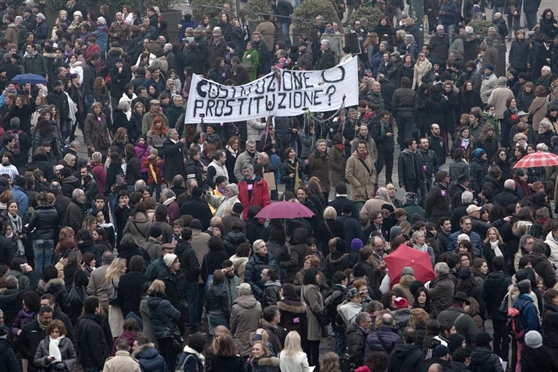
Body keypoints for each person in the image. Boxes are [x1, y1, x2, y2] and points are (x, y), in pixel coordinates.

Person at [147, 279, 181, 372]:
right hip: (168, 333)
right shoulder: (164, 303)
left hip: (158, 332)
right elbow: (177, 315)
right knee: (171, 359)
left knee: (163, 356)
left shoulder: (149, 302)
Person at [75, 296, 110, 372]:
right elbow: (96, 347)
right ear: (96, 308)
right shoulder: (93, 326)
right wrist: (101, 365)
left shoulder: (81, 321)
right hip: (93, 364)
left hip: (85, 361)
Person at [301, 267, 324, 370]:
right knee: (314, 342)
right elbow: (314, 305)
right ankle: (315, 365)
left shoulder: (304, 287)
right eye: (317, 275)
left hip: (309, 317)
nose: (319, 276)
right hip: (313, 318)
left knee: (310, 343)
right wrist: (323, 313)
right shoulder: (311, 288)